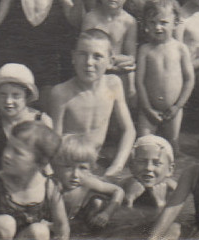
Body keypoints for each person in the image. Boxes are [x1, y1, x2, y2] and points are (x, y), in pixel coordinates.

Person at [50, 29, 136, 177]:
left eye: (97, 56)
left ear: (110, 61)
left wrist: (117, 165)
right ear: (73, 57)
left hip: (98, 161)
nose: (89, 62)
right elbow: (54, 142)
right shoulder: (61, 93)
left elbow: (129, 130)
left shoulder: (113, 84)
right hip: (70, 165)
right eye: (83, 54)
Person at [0, 120, 68, 240]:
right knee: (4, 224)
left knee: (39, 231)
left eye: (17, 152)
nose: (7, 154)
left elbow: (62, 229)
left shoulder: (50, 187)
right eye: (8, 147)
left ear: (40, 163)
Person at [0, 63, 53, 186]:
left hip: (33, 186)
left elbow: (47, 168)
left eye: (16, 95)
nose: (8, 101)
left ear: (26, 97)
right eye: (3, 94)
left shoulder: (42, 121)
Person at [135, 0, 195, 150]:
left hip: (173, 110)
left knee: (173, 144)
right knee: (144, 145)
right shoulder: (145, 50)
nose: (158, 27)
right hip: (148, 109)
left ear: (175, 23)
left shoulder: (181, 49)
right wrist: (147, 108)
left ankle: (171, 173)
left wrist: (178, 106)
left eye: (163, 22)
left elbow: (189, 80)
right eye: (152, 22)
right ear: (146, 24)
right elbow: (139, 82)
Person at [52, 134, 125, 234]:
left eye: (82, 168)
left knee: (97, 203)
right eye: (68, 167)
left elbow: (118, 191)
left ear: (90, 168)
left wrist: (107, 213)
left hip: (76, 218)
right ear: (55, 166)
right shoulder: (50, 184)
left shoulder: (87, 182)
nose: (75, 174)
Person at [122, 135, 177, 211]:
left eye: (156, 163)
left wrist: (161, 203)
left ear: (170, 170)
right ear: (131, 166)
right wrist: (128, 199)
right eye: (141, 162)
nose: (148, 168)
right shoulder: (121, 188)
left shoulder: (175, 192)